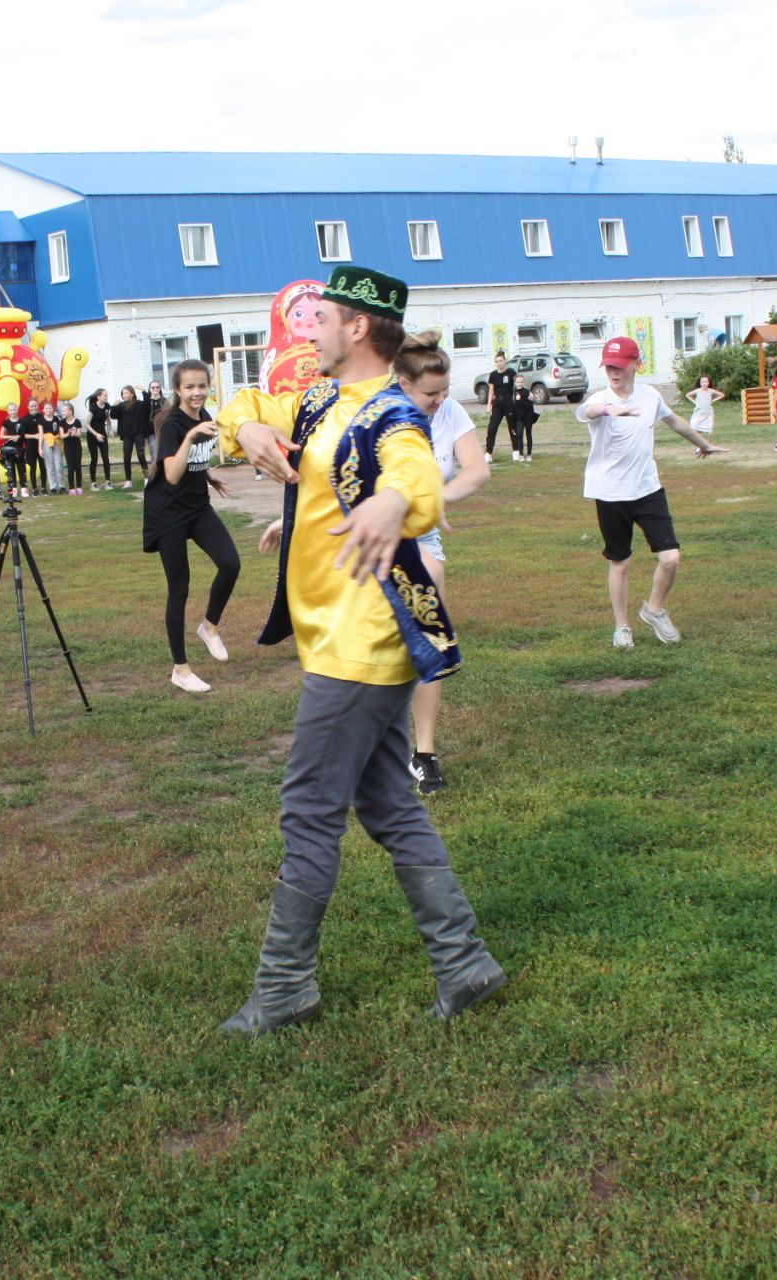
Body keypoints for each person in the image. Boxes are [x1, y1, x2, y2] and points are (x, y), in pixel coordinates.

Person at [216, 264, 503, 1033]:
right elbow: (241, 401)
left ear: (358, 330)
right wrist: (245, 429)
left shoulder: (389, 416)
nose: (307, 328)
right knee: (386, 803)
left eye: (323, 317)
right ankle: (465, 963)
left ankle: (284, 988)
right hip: (334, 637)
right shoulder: (318, 399)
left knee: (309, 809)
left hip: (362, 642)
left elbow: (419, 478)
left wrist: (390, 498)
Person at [577, 336, 728, 648]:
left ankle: (655, 609)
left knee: (670, 557)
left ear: (636, 364)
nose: (613, 373)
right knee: (620, 562)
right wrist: (608, 410)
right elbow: (587, 412)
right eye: (608, 367)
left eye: (619, 366)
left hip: (648, 489)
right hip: (610, 493)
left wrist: (704, 445)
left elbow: (675, 422)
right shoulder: (600, 398)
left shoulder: (649, 396)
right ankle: (622, 628)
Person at [396, 332, 489, 795]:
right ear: (402, 384)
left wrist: (438, 497)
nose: (441, 399)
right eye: (431, 392)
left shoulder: (449, 412)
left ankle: (424, 753)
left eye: (445, 389)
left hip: (422, 534)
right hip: (372, 538)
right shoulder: (381, 413)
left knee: (429, 639)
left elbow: (477, 469)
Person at [144, 359, 239, 693]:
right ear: (177, 389)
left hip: (197, 507)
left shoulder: (206, 418)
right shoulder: (173, 424)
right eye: (189, 387)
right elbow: (170, 473)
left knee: (230, 563)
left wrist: (210, 476)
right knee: (179, 587)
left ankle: (209, 626)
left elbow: (193, 462)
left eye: (202, 386)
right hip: (167, 513)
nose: (197, 392)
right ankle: (180, 670)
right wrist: (190, 436)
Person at [110, 385, 151, 487]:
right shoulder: (121, 405)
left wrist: (143, 391)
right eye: (123, 393)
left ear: (132, 394)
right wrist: (114, 405)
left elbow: (147, 405)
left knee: (141, 455)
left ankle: (146, 478)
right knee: (126, 457)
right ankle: (128, 481)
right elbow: (113, 415)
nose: (124, 395)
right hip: (127, 435)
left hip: (139, 433)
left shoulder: (139, 404)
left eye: (126, 393)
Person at [483, 351, 515, 459]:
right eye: (497, 361)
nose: (499, 363)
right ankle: (488, 453)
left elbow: (519, 384)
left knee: (512, 427)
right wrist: (489, 405)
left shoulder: (511, 372)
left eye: (501, 361)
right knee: (492, 428)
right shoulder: (493, 375)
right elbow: (491, 391)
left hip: (509, 404)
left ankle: (516, 451)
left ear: (505, 361)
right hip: (498, 404)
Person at [16, 401, 48, 495]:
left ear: (38, 406)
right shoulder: (25, 419)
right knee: (33, 467)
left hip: (42, 446)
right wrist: (34, 436)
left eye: (35, 406)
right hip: (30, 447)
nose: (34, 408)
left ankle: (43, 487)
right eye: (32, 406)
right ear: (28, 407)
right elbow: (22, 434)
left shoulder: (42, 417)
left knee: (43, 467)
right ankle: (34, 488)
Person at [85, 388, 113, 490]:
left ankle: (108, 482)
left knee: (106, 457)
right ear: (99, 397)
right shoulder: (93, 408)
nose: (106, 397)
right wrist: (96, 434)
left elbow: (107, 416)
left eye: (107, 395)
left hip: (102, 434)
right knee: (94, 458)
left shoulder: (107, 405)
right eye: (104, 395)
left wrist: (110, 429)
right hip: (92, 435)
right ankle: (93, 483)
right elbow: (86, 424)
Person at [687, 373, 726, 442]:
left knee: (709, 430)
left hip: (708, 413)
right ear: (700, 383)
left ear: (708, 383)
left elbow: (722, 395)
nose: (704, 383)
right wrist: (695, 402)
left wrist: (713, 400)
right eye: (702, 382)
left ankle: (708, 445)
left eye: (706, 382)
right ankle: (700, 445)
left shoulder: (710, 391)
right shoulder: (697, 391)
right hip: (699, 412)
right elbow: (688, 395)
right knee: (695, 427)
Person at [59, 403, 85, 496]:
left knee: (78, 466)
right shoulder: (62, 422)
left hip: (77, 447)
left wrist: (75, 433)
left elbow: (79, 434)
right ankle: (71, 488)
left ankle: (79, 486)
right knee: (70, 467)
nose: (62, 412)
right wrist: (68, 433)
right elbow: (62, 436)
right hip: (68, 447)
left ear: (70, 411)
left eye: (64, 410)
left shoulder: (77, 421)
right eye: (62, 410)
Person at [510, 373, 538, 460]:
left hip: (528, 417)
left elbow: (530, 404)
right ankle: (521, 454)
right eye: (518, 382)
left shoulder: (527, 392)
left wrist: (523, 399)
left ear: (524, 382)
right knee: (519, 435)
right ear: (515, 383)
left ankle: (529, 454)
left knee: (528, 435)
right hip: (519, 418)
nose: (520, 383)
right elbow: (513, 407)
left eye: (521, 382)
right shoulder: (513, 393)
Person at [41, 404, 67, 494]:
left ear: (53, 410)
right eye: (47, 408)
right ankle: (53, 487)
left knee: (59, 464)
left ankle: (62, 486)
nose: (48, 410)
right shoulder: (41, 420)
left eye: (50, 408)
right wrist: (40, 448)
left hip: (56, 441)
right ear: (43, 410)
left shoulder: (56, 419)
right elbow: (41, 434)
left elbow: (60, 431)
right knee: (49, 466)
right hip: (46, 442)